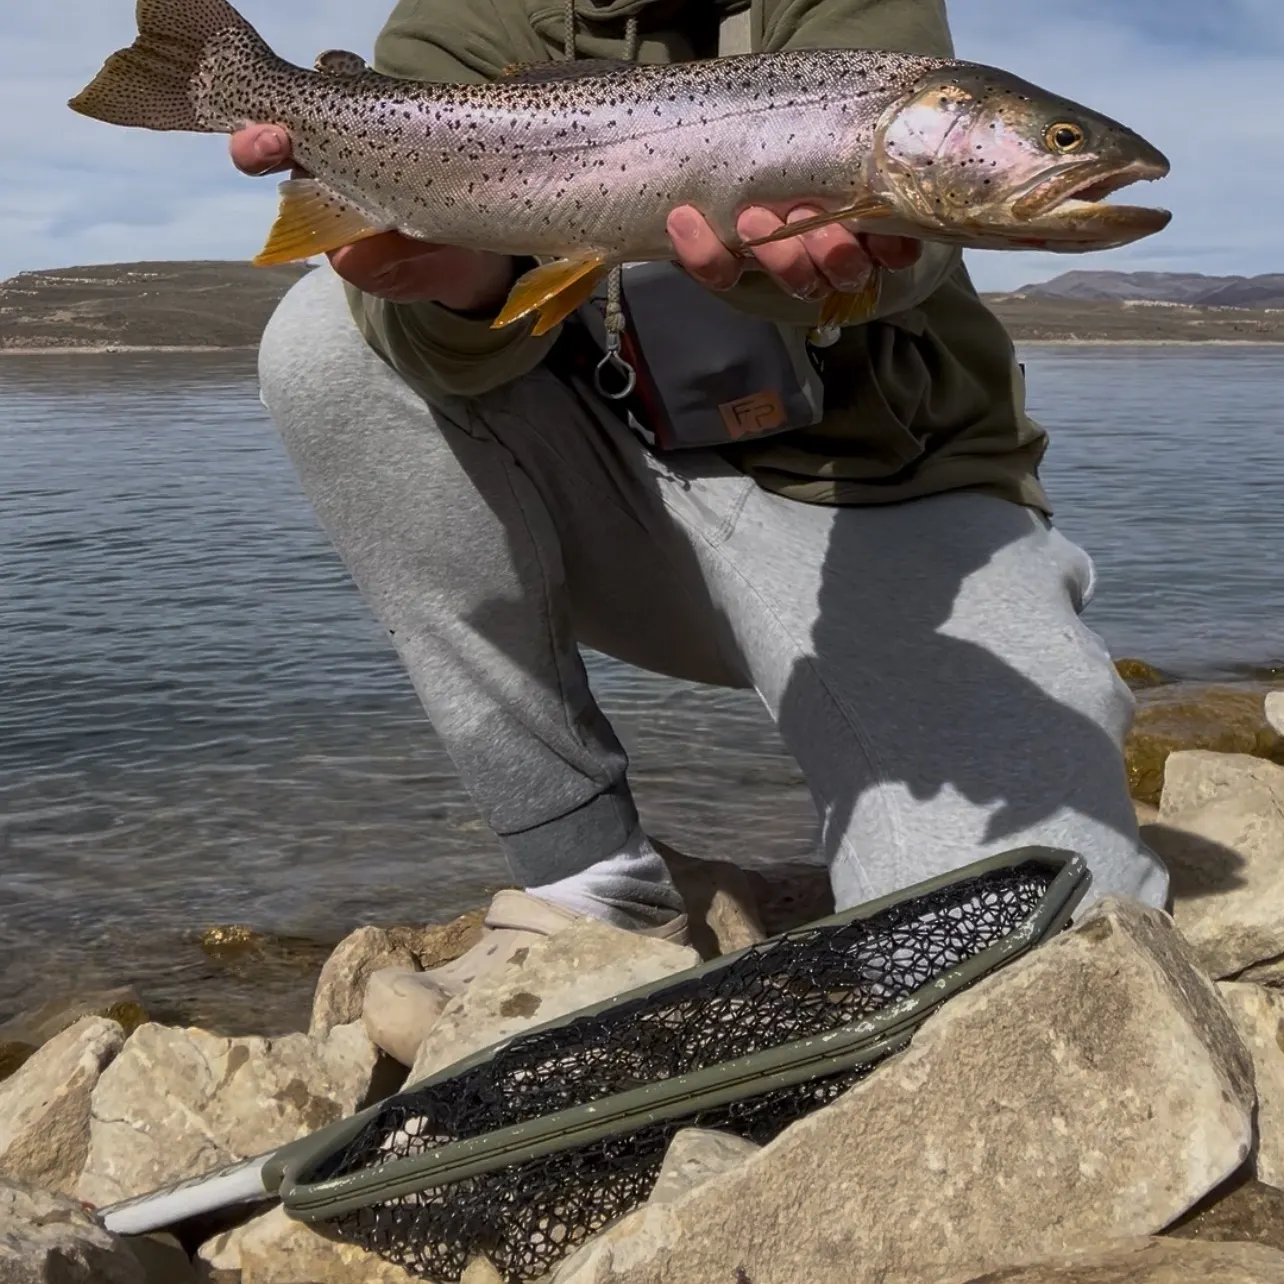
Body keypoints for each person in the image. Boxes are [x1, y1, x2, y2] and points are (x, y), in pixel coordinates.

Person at [236, 0, 1169, 1065]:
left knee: (1023, 966)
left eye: (1057, 146)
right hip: (611, 498)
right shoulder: (457, 18)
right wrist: (461, 284)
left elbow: (905, 251)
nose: (1072, 160)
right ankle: (592, 884)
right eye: (1060, 143)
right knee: (324, 340)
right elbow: (444, 355)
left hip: (878, 502)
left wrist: (848, 273)